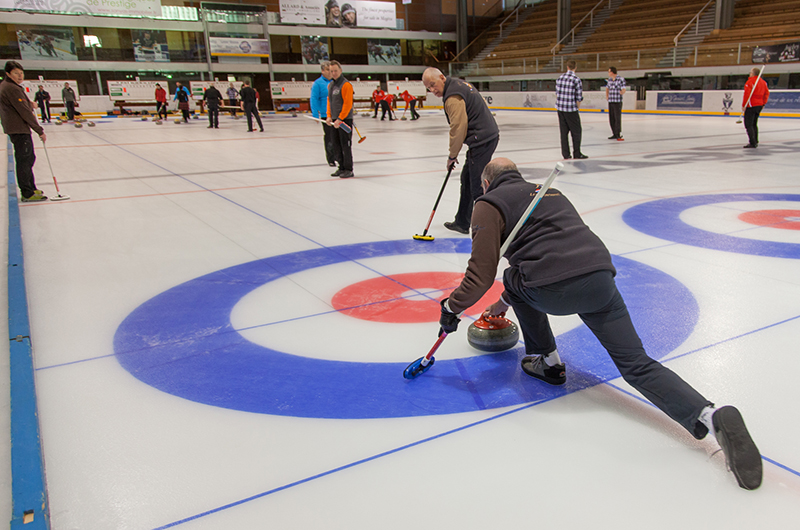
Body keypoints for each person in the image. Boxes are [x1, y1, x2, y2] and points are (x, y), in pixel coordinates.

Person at [437, 156, 763, 491]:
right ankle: (710, 413)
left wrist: (451, 307)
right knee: (638, 364)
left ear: (486, 183)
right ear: (517, 175)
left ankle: (549, 362)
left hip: (552, 289)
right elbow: (561, 251)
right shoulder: (550, 193)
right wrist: (504, 301)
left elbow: (480, 275)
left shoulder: (487, 204)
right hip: (600, 282)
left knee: (513, 276)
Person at [422, 67, 499, 235]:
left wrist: (452, 155)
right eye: (428, 88)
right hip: (484, 137)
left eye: (433, 85)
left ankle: (486, 227)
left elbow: (458, 127)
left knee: (477, 186)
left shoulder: (452, 96)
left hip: (482, 140)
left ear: (442, 77)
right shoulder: (458, 84)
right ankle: (462, 221)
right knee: (467, 178)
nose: (432, 90)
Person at [0, 61, 47, 202]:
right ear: (8, 74)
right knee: (24, 159)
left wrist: (29, 103)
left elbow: (21, 105)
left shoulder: (11, 86)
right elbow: (24, 112)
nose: (20, 76)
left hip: (16, 127)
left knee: (28, 158)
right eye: (16, 73)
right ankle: (27, 192)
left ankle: (31, 187)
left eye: (21, 73)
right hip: (18, 128)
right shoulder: (11, 88)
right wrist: (39, 130)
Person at [326, 60, 354, 179]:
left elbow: (348, 104)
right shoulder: (331, 85)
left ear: (340, 71)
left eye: (335, 71)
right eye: (331, 71)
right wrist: (329, 116)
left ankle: (348, 169)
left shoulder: (346, 85)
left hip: (344, 121)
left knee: (345, 145)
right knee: (336, 144)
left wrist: (340, 118)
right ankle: (341, 167)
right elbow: (329, 102)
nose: (334, 73)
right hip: (334, 121)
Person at [555, 60, 587, 160]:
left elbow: (557, 93)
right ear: (575, 67)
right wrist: (577, 108)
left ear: (567, 67)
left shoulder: (560, 78)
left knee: (563, 132)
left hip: (560, 108)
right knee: (576, 131)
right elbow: (578, 97)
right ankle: (577, 153)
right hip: (571, 109)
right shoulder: (576, 80)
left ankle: (566, 154)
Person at [311, 61, 337, 167]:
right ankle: (331, 158)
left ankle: (338, 156)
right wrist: (315, 113)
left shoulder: (335, 82)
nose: (330, 72)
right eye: (327, 70)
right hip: (326, 114)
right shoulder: (318, 83)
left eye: (331, 70)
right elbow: (314, 98)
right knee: (329, 137)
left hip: (337, 114)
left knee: (338, 137)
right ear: (322, 71)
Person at [742, 67, 769, 149]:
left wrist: (744, 105)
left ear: (753, 73)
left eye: (750, 72)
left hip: (751, 105)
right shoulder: (763, 82)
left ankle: (752, 142)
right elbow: (766, 93)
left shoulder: (750, 82)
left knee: (748, 124)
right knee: (754, 123)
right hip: (759, 105)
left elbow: (747, 94)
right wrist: (763, 103)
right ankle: (755, 140)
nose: (749, 74)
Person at [605, 66, 625, 141]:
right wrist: (607, 96)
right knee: (612, 118)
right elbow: (607, 88)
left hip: (617, 101)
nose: (608, 73)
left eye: (609, 71)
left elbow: (623, 88)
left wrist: (622, 92)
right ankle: (614, 133)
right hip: (611, 101)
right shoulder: (609, 80)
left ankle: (618, 133)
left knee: (617, 118)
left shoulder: (620, 79)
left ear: (612, 72)